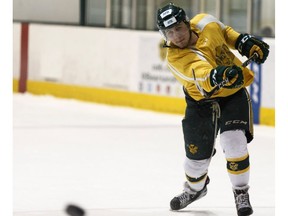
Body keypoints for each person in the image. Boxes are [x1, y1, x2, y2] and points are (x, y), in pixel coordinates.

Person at [156, 3, 269, 216]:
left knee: (234, 142)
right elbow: (200, 75)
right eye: (169, 32)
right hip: (201, 103)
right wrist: (217, 75)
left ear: (187, 23)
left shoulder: (205, 21)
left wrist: (242, 42)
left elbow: (224, 32)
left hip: (231, 95)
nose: (176, 36)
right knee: (195, 163)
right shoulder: (175, 58)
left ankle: (240, 192)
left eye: (178, 28)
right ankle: (195, 190)